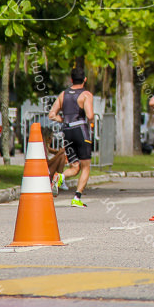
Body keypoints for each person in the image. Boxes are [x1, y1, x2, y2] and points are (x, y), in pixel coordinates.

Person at [48, 67, 95, 207]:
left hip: (67, 131)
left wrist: (63, 120)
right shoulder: (86, 94)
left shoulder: (63, 94)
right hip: (80, 130)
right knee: (85, 167)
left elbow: (51, 114)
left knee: (75, 166)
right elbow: (90, 115)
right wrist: (90, 123)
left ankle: (60, 176)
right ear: (85, 79)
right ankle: (76, 198)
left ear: (71, 79)